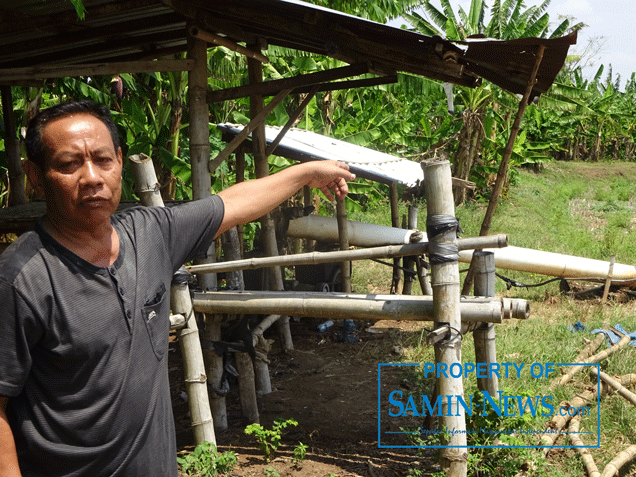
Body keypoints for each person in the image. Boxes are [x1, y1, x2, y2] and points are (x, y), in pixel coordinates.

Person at [0, 100, 355, 476]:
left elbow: (232, 204)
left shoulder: (150, 235)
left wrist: (307, 173)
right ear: (35, 175)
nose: (91, 177)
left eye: (102, 160)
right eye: (69, 165)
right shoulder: (20, 280)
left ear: (120, 161)